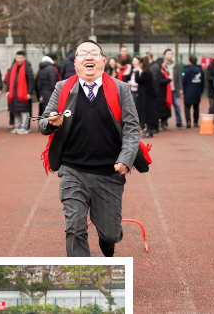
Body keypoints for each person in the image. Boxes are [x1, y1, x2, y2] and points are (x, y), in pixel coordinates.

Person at [39, 39, 145, 257]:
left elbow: (132, 128)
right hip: (72, 170)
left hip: (109, 172)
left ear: (103, 61)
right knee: (75, 226)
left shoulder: (120, 89)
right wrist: (51, 122)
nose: (89, 57)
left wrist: (126, 159)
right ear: (75, 62)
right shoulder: (62, 88)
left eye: (94, 53)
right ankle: (82, 274)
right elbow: (43, 122)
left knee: (110, 233)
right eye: (83, 53)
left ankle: (107, 241)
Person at [6, 50, 33, 134]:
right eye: (17, 57)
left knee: (24, 111)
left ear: (24, 58)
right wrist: (7, 90)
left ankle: (24, 126)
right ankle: (18, 126)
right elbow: (9, 80)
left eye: (21, 58)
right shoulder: (13, 67)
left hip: (23, 93)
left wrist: (29, 92)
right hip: (14, 93)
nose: (19, 59)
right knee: (15, 111)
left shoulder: (27, 67)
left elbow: (31, 81)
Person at [182, 55, 204, 128]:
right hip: (197, 90)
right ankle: (196, 122)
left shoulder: (186, 70)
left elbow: (183, 80)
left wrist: (183, 88)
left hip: (188, 90)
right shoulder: (200, 70)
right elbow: (203, 81)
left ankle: (188, 121)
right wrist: (201, 90)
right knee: (196, 106)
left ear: (189, 61)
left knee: (187, 106)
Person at [164, 49, 184, 129]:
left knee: (177, 106)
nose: (170, 55)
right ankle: (164, 122)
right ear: (164, 55)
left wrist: (180, 88)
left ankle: (179, 122)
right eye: (168, 54)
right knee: (166, 106)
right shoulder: (162, 65)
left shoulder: (175, 65)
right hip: (166, 89)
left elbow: (179, 77)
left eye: (171, 54)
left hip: (174, 89)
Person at [136, 57, 155, 137]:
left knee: (146, 113)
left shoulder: (145, 73)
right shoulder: (148, 72)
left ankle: (149, 130)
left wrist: (137, 71)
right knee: (147, 113)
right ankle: (148, 130)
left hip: (146, 96)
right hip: (148, 95)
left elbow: (138, 80)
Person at [155, 58, 172, 130]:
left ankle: (163, 123)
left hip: (165, 92)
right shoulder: (158, 71)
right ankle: (159, 124)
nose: (164, 64)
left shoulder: (164, 70)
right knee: (160, 109)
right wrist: (169, 79)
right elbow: (160, 81)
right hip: (160, 93)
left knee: (165, 109)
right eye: (163, 63)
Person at [147, 52, 160, 134]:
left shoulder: (154, 67)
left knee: (154, 110)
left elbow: (154, 80)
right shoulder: (152, 66)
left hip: (153, 91)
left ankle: (155, 127)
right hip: (153, 90)